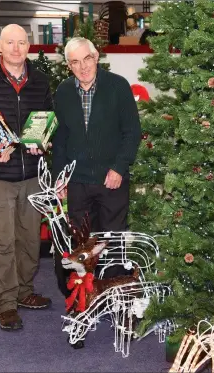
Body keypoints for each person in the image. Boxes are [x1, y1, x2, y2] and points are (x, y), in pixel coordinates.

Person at [0, 24, 53, 331]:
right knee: (0, 241)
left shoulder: (40, 81)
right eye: (10, 42)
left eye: (22, 43)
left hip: (31, 176)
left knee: (29, 239)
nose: (16, 48)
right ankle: (4, 302)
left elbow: (47, 119)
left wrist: (43, 143)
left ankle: (24, 291)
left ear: (29, 46)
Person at [52, 37, 141, 292]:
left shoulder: (117, 86)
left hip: (111, 180)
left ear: (96, 57)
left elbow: (132, 132)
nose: (83, 67)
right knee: (81, 245)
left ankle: (112, 295)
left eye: (87, 59)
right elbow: (60, 139)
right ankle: (85, 297)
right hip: (78, 182)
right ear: (69, 66)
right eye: (75, 62)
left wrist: (119, 167)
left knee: (112, 242)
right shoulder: (64, 91)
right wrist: (60, 178)